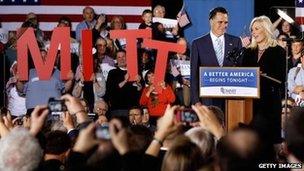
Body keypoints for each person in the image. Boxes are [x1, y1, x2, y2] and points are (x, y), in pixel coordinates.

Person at [242, 15, 286, 144]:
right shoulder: (248, 51)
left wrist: (262, 75)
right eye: (252, 30)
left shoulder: (278, 51)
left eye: (256, 29)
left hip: (269, 102)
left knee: (268, 140)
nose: (253, 33)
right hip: (250, 101)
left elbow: (281, 78)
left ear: (266, 29)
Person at [190, 7, 242, 110]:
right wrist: (196, 101)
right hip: (207, 100)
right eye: (220, 22)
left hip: (231, 99)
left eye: (226, 22)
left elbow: (240, 69)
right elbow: (194, 74)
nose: (224, 25)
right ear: (211, 21)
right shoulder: (198, 44)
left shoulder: (236, 41)